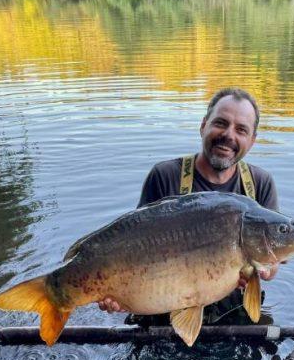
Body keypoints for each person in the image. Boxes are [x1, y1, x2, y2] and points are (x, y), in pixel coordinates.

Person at [98, 87, 281, 324]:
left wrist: (265, 270)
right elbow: (134, 249)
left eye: (241, 130)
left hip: (231, 315)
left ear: (252, 140)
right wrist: (118, 291)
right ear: (203, 125)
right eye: (220, 123)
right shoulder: (165, 176)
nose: (229, 135)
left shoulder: (260, 184)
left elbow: (272, 262)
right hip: (164, 305)